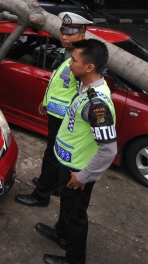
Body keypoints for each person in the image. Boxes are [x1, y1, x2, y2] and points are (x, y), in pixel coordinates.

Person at [36, 39, 117, 264]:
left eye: (74, 60)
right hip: (68, 163)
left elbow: (109, 149)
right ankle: (61, 234)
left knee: (76, 216)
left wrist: (83, 176)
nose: (69, 63)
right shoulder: (86, 86)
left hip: (78, 171)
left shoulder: (98, 104)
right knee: (67, 206)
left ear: (89, 67)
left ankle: (74, 259)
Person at [15, 12, 90, 207]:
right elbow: (60, 82)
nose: (64, 37)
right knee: (54, 155)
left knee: (52, 155)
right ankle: (54, 185)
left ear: (82, 36)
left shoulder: (82, 60)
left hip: (65, 118)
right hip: (56, 113)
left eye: (70, 34)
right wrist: (45, 100)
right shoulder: (69, 53)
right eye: (63, 32)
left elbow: (83, 94)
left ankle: (41, 195)